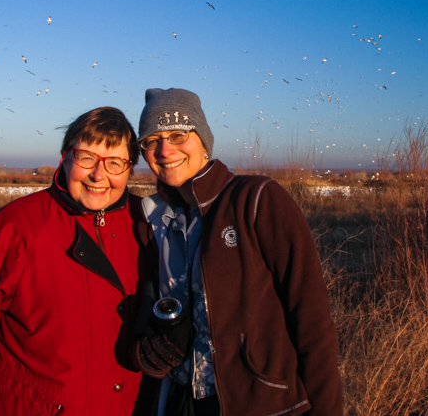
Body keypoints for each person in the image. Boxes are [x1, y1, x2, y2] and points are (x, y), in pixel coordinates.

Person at [131, 88, 344, 416]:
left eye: (177, 135)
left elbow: (312, 320)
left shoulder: (256, 200)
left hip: (259, 403)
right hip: (181, 402)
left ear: (203, 140)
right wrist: (152, 349)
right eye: (151, 140)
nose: (164, 149)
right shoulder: (154, 221)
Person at [0, 106, 158, 416]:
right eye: (87, 158)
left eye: (115, 163)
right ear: (65, 157)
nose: (98, 175)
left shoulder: (147, 224)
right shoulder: (20, 224)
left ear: (130, 169)